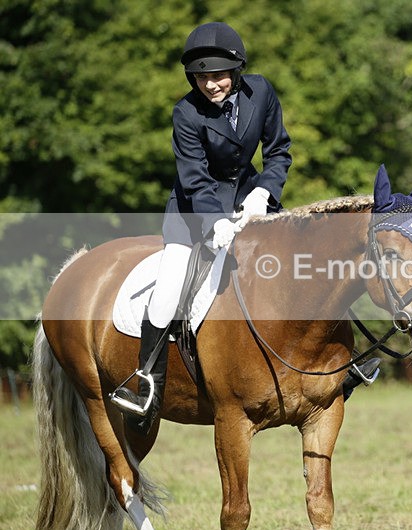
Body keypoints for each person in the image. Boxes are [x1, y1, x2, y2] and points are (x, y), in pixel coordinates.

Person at [113, 22, 379, 434]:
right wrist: (216, 220)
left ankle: (341, 367)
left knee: (310, 269)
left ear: (236, 71)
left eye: (218, 75)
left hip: (254, 204)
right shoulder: (186, 113)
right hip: (193, 214)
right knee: (169, 289)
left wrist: (262, 194)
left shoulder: (262, 93)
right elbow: (194, 178)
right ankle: (147, 382)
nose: (210, 84)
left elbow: (279, 151)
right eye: (201, 76)